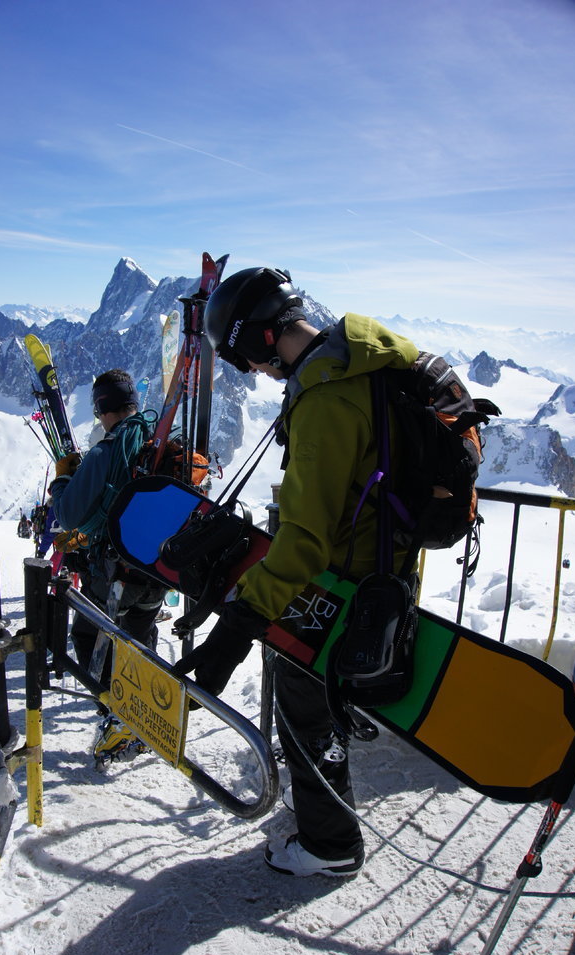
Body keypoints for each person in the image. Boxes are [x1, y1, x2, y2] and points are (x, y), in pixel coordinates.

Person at [176, 267, 419, 878]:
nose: (255, 374)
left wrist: (242, 620)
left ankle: (329, 843)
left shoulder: (327, 398)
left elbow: (306, 542)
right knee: (316, 703)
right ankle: (323, 816)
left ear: (259, 338)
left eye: (245, 359)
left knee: (302, 704)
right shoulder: (359, 358)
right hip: (384, 571)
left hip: (340, 584)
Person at [51, 368, 167, 764]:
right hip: (159, 569)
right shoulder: (156, 439)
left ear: (102, 407)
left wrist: (64, 481)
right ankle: (146, 719)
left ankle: (118, 721)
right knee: (139, 640)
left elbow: (68, 515)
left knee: (88, 637)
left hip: (116, 573)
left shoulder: (107, 450)